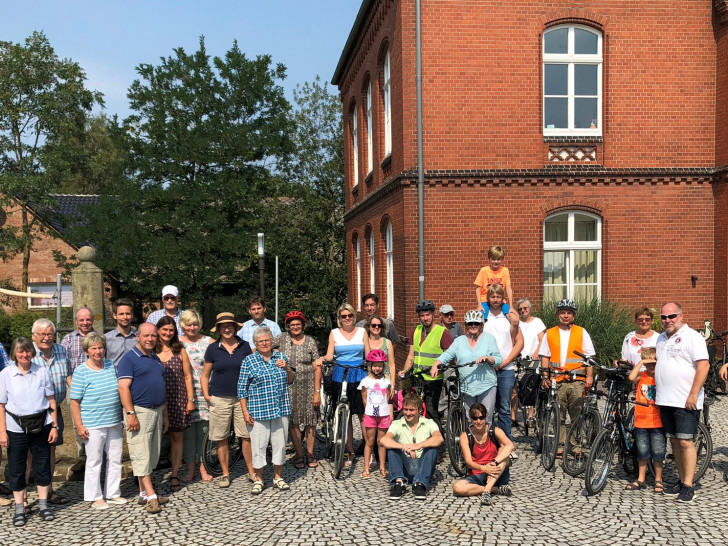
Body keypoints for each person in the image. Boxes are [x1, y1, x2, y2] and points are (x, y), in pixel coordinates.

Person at [0, 337, 59, 526]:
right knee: (17, 468)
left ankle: (43, 505)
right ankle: (19, 507)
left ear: (32, 353)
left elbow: (51, 401)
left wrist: (55, 426)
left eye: (27, 351)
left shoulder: (41, 371)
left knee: (42, 465)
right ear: (14, 354)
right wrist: (2, 432)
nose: (24, 354)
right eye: (20, 351)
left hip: (42, 424)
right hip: (15, 427)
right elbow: (1, 405)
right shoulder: (5, 374)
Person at [655, 302, 709, 503]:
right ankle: (680, 479)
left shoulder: (692, 337)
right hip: (665, 399)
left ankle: (688, 485)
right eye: (664, 317)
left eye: (672, 316)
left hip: (685, 400)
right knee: (675, 441)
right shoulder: (660, 338)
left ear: (681, 315)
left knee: (686, 441)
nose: (668, 320)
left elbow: (703, 365)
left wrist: (693, 394)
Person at [117, 323, 170, 514]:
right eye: (146, 336)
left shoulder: (154, 357)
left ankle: (143, 492)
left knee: (151, 454)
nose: (150, 339)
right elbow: (123, 388)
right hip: (139, 411)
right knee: (141, 453)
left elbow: (159, 386)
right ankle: (152, 496)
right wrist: (130, 414)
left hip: (156, 410)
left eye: (154, 336)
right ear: (137, 337)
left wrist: (164, 415)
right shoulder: (129, 359)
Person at [69, 333, 126, 509]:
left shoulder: (110, 365)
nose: (98, 351)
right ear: (87, 351)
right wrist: (79, 425)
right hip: (93, 424)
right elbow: (74, 402)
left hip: (114, 421)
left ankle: (113, 493)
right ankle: (95, 496)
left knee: (115, 458)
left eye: (100, 347)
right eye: (94, 348)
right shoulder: (81, 371)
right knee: (94, 461)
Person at [238, 327, 295, 494]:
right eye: (260, 341)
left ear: (272, 342)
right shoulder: (249, 361)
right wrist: (245, 411)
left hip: (280, 409)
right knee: (259, 446)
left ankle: (278, 477)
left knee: (280, 445)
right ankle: (259, 479)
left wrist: (287, 368)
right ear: (255, 343)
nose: (264, 343)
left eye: (267, 340)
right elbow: (242, 389)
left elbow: (291, 380)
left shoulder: (281, 357)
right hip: (258, 411)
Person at [201, 312, 255, 488]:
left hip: (242, 398)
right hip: (220, 397)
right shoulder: (213, 348)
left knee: (246, 436)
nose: (226, 329)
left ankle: (252, 471)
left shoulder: (244, 346)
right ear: (218, 329)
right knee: (221, 437)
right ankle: (225, 473)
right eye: (223, 326)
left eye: (229, 325)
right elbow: (205, 374)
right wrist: (207, 395)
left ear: (235, 327)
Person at [538, 299, 595, 455]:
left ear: (573, 315)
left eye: (569, 313)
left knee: (577, 413)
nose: (565, 315)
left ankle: (576, 446)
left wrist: (590, 377)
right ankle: (561, 445)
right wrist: (545, 376)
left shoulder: (581, 332)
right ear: (558, 315)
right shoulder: (550, 333)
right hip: (557, 380)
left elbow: (589, 357)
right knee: (559, 415)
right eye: (562, 312)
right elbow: (545, 357)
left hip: (577, 380)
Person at [315, 303, 367, 466]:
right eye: (343, 316)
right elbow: (330, 355)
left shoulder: (362, 332)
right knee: (346, 414)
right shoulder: (334, 333)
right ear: (339, 318)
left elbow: (369, 353)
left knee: (363, 414)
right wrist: (321, 360)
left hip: (359, 373)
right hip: (341, 374)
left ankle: (368, 449)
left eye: (349, 315)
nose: (347, 318)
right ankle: (349, 450)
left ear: (353, 316)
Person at [430, 310, 502, 421]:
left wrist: (488, 358)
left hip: (486, 386)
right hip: (467, 386)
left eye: (476, 323)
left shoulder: (489, 339)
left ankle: (487, 438)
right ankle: (469, 439)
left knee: (485, 419)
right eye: (470, 323)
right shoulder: (459, 341)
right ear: (465, 325)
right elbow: (448, 354)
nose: (473, 326)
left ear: (481, 325)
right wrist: (437, 363)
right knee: (470, 420)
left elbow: (498, 359)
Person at [30, 319, 71, 505]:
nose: (47, 338)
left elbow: (69, 376)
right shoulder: (28, 353)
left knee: (51, 449)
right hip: (33, 411)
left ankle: (48, 491)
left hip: (55, 410)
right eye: (42, 334)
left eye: (49, 334)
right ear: (34, 336)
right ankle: (22, 496)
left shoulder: (61, 350)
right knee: (30, 452)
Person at [274, 310, 320, 470]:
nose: (295, 327)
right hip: (288, 386)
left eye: (298, 324)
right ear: (288, 326)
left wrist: (317, 391)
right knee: (293, 421)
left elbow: (317, 366)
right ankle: (299, 454)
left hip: (308, 385)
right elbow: (264, 347)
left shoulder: (310, 342)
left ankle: (310, 453)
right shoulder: (282, 339)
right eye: (292, 324)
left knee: (310, 420)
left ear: (303, 325)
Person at [379, 392, 444, 500]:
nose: (408, 413)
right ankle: (398, 483)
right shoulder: (397, 423)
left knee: (432, 447)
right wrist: (403, 447)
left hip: (423, 465)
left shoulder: (428, 423)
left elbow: (439, 438)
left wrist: (418, 445)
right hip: (405, 465)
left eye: (411, 410)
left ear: (419, 410)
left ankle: (420, 483)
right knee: (392, 447)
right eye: (405, 409)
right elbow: (384, 440)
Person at [401, 300, 452, 434]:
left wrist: (441, 366)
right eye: (422, 316)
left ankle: (439, 445)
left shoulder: (442, 333)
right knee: (413, 409)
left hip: (433, 379)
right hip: (417, 377)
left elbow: (451, 356)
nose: (425, 318)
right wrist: (405, 370)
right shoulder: (416, 332)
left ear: (433, 314)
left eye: (427, 315)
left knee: (431, 411)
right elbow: (411, 356)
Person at [155, 316, 194, 493]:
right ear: (158, 330)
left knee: (177, 438)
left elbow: (187, 376)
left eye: (171, 330)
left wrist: (190, 400)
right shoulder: (151, 350)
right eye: (165, 330)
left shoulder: (180, 350)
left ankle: (175, 474)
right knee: (154, 438)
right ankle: (146, 476)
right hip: (156, 401)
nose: (168, 333)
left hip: (177, 399)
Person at [483, 285, 523, 444]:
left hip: (506, 369)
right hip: (486, 369)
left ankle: (506, 442)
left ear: (502, 298)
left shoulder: (509, 317)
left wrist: (506, 361)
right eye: (492, 297)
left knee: (505, 408)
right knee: (487, 408)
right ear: (488, 298)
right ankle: (489, 443)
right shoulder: (484, 317)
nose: (495, 300)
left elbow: (520, 343)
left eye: (498, 296)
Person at [452, 404, 514, 506]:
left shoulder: (495, 431)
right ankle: (494, 489)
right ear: (470, 419)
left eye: (481, 418)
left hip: (497, 471)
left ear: (486, 417)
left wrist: (493, 463)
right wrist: (485, 469)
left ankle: (487, 491)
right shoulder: (465, 436)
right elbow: (468, 462)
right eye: (475, 418)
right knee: (457, 487)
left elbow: (510, 446)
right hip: (478, 474)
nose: (478, 421)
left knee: (504, 451)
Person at [179, 309, 213, 483]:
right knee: (188, 434)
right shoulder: (177, 342)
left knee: (205, 432)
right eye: (188, 324)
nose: (192, 327)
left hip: (206, 392)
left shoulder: (208, 341)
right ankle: (190, 468)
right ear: (182, 325)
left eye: (195, 324)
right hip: (186, 394)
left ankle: (204, 466)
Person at [61, 306, 96, 473]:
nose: (85, 322)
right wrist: (72, 384)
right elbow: (64, 365)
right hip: (73, 385)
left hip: (95, 386)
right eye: (81, 320)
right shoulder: (67, 339)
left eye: (88, 319)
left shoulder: (99, 338)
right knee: (77, 423)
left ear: (92, 320)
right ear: (76, 321)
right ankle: (83, 457)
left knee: (96, 421)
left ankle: (96, 454)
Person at [626, 347, 665, 493]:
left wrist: (657, 363)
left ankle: (658, 479)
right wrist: (642, 361)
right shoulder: (641, 375)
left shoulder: (660, 376)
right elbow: (631, 377)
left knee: (658, 451)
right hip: (641, 421)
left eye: (654, 364)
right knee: (642, 451)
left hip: (658, 421)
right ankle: (641, 478)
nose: (651, 367)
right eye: (649, 364)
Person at [358, 349, 393, 478]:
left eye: (380, 366)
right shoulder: (366, 381)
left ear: (383, 366)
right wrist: (370, 410)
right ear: (370, 366)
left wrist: (388, 414)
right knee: (370, 441)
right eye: (375, 365)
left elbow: (388, 398)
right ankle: (366, 467)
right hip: (371, 415)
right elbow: (364, 398)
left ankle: (382, 467)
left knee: (381, 441)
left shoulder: (386, 381)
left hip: (383, 415)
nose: (377, 368)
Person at [513, 298, 546, 426]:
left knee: (532, 387)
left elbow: (542, 340)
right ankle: (513, 417)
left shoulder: (537, 322)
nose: (523, 311)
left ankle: (531, 416)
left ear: (530, 309)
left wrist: (537, 352)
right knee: (514, 388)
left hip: (533, 359)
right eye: (520, 309)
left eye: (525, 308)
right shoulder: (516, 323)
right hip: (519, 358)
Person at [474, 245, 514, 318]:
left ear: (502, 259)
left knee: (512, 317)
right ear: (489, 259)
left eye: (498, 259)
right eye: (493, 259)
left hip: (500, 301)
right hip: (485, 300)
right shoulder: (484, 270)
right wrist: (479, 305)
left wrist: (511, 306)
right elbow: (478, 288)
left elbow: (508, 288)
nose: (496, 262)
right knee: (481, 318)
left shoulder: (505, 271)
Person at [363, 314, 396, 382]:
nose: (377, 327)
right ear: (368, 327)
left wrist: (393, 383)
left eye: (379, 325)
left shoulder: (387, 342)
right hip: (369, 380)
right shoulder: (364, 342)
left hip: (385, 379)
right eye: (374, 325)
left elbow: (391, 364)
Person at [105, 298, 137, 367]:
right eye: (121, 314)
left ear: (132, 315)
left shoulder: (139, 338)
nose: (125, 317)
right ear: (115, 316)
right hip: (114, 376)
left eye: (128, 314)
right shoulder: (106, 339)